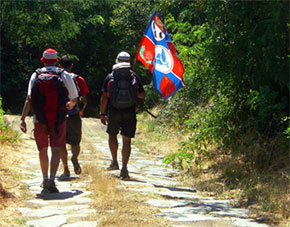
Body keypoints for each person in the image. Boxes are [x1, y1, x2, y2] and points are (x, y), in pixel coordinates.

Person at [20, 48, 78, 193]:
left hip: (40, 118)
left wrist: (22, 119)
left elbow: (29, 98)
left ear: (43, 60)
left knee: (42, 150)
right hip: (58, 118)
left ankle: (44, 178)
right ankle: (52, 180)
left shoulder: (36, 75)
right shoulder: (63, 74)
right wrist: (69, 105)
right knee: (56, 149)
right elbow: (74, 98)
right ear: (56, 60)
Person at [100, 51, 145, 180]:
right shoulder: (134, 76)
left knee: (112, 135)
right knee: (127, 140)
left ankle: (114, 162)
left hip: (113, 111)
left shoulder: (111, 76)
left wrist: (102, 113)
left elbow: (104, 97)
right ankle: (124, 168)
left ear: (117, 60)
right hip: (130, 111)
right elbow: (142, 95)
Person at [58, 55, 89, 177]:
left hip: (60, 114)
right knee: (75, 142)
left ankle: (65, 169)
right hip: (74, 114)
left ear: (60, 66)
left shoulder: (57, 78)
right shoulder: (79, 79)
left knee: (61, 142)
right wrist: (80, 110)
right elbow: (84, 99)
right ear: (71, 65)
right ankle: (74, 157)